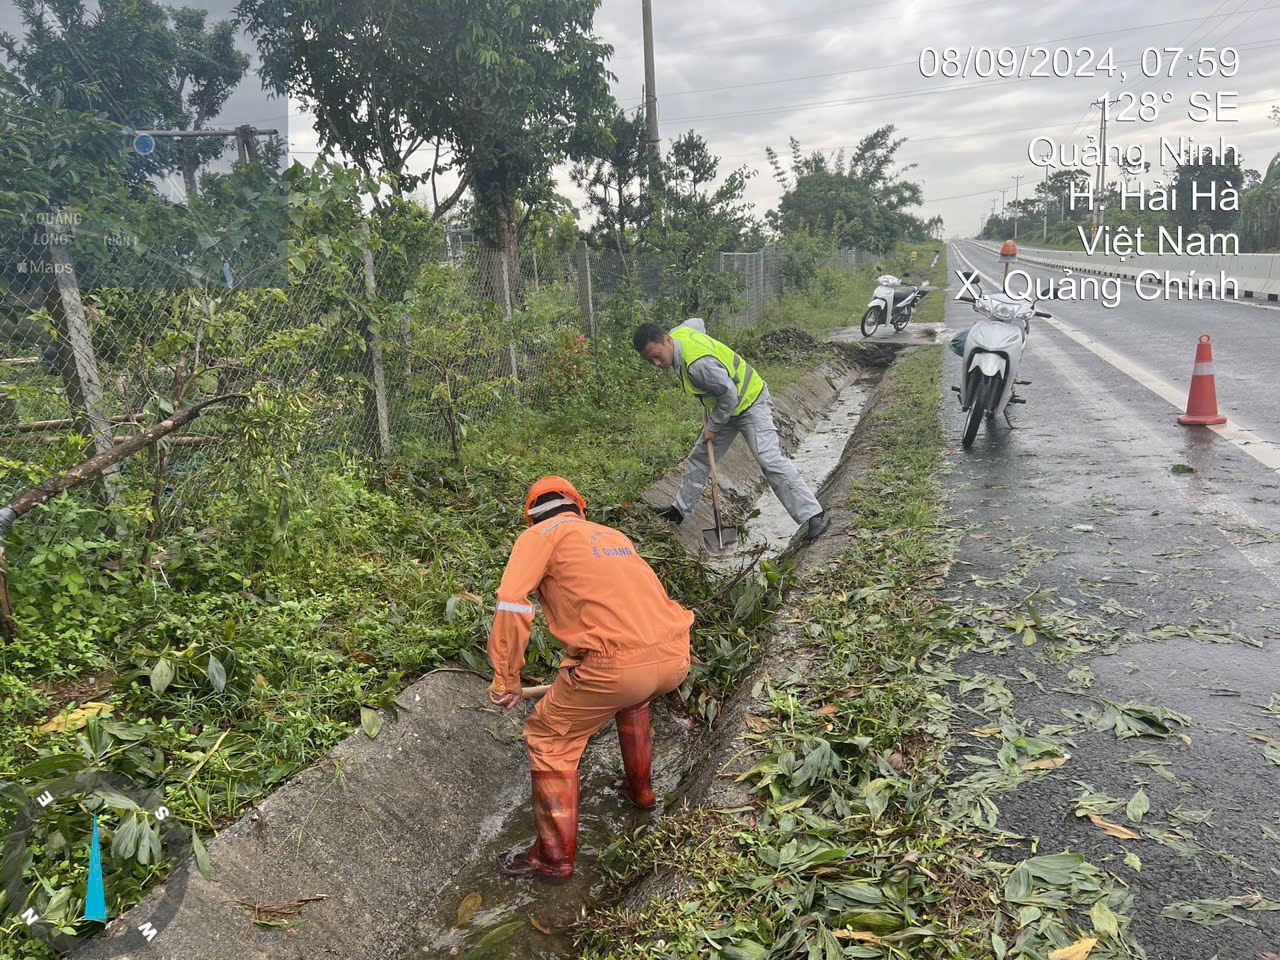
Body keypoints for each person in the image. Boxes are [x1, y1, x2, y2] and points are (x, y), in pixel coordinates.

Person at [487, 476, 693, 883]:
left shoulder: (538, 536)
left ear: (531, 516)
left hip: (615, 668)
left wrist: (506, 678)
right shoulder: (611, 535)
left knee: (549, 738)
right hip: (674, 655)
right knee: (633, 699)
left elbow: (512, 601)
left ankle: (553, 860)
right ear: (580, 509)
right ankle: (642, 792)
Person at [632, 319, 830, 540]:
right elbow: (698, 322)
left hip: (750, 403)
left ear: (667, 340)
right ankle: (679, 511)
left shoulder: (699, 366)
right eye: (650, 360)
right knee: (699, 458)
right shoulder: (681, 332)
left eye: (657, 356)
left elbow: (729, 396)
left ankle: (815, 515)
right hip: (725, 408)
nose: (657, 363)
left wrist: (713, 427)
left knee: (769, 459)